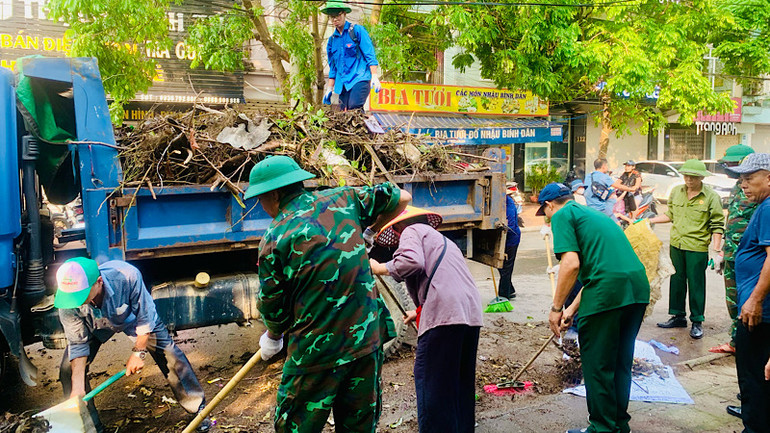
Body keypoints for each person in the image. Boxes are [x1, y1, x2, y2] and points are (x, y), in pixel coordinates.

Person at [246, 155, 410, 433]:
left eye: (260, 198)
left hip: (315, 357)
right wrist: (368, 231)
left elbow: (274, 310)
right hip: (365, 345)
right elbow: (402, 197)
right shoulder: (343, 198)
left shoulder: (275, 238)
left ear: (274, 193)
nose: (261, 206)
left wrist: (272, 337)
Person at [537, 183, 650, 433]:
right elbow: (599, 271)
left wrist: (556, 308)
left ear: (549, 205)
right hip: (636, 289)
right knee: (620, 362)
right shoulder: (596, 215)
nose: (546, 217)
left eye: (544, 212)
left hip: (607, 293)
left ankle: (601, 428)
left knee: (598, 365)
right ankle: (619, 425)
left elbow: (571, 264)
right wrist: (571, 310)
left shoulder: (562, 214)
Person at [55, 258, 210, 432]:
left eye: (80, 295)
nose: (75, 301)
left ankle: (198, 409)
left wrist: (139, 352)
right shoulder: (68, 300)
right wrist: (77, 388)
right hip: (94, 326)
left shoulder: (127, 276)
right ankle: (91, 427)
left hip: (133, 319)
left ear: (98, 282)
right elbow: (77, 343)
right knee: (68, 369)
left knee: (170, 355)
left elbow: (145, 317)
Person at [369, 206, 482, 433]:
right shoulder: (443, 240)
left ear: (399, 227)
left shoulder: (411, 231)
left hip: (445, 315)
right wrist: (420, 310)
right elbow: (444, 280)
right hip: (469, 314)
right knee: (459, 382)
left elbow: (412, 262)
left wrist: (379, 267)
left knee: (433, 385)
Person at [651, 159, 725, 339]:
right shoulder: (677, 191)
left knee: (696, 283)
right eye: (686, 176)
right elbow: (670, 215)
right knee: (676, 280)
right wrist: (649, 220)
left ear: (701, 177)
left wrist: (716, 250)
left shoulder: (710, 197)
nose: (688, 180)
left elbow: (717, 224)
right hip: (677, 244)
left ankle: (697, 320)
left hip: (697, 246)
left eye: (693, 177)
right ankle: (678, 316)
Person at [712, 145, 756, 420]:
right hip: (733, 257)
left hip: (753, 274)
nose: (733, 173)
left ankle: (753, 400)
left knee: (751, 329)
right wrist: (722, 253)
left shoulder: (763, 201)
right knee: (736, 311)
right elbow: (732, 222)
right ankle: (750, 393)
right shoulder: (738, 189)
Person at [727, 153, 770, 433]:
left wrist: (754, 300)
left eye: (749, 179)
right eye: (741, 180)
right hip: (759, 311)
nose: (743, 185)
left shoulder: (768, 209)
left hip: (761, 315)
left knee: (754, 380)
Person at [321, 1, 381, 111]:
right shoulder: (332, 41)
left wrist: (374, 76)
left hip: (359, 78)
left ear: (344, 14)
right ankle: (363, 127)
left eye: (337, 15)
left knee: (354, 107)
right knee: (344, 114)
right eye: (332, 16)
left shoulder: (357, 31)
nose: (335, 19)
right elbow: (333, 67)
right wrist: (329, 87)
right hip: (343, 83)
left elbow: (369, 54)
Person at [497, 189, 521, 299]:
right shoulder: (497, 201)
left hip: (511, 239)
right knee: (500, 267)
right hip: (499, 238)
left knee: (506, 268)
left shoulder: (508, 202)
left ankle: (503, 296)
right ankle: (510, 290)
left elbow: (510, 225)